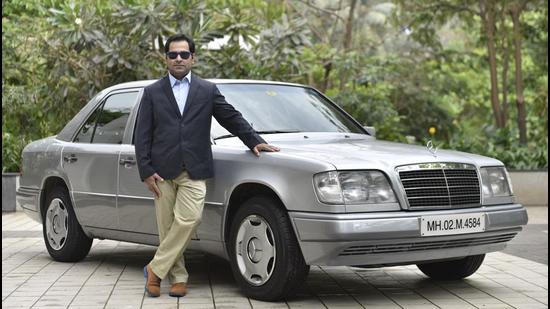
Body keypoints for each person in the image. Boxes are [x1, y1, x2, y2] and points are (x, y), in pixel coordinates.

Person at [134, 33, 279, 298]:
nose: (179, 59)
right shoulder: (153, 92)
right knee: (167, 226)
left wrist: (254, 141)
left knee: (190, 219)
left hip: (194, 169)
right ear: (165, 59)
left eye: (184, 54)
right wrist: (145, 170)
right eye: (173, 54)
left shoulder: (207, 90)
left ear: (193, 58)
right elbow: (141, 134)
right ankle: (177, 277)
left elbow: (230, 116)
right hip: (161, 172)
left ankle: (155, 269)